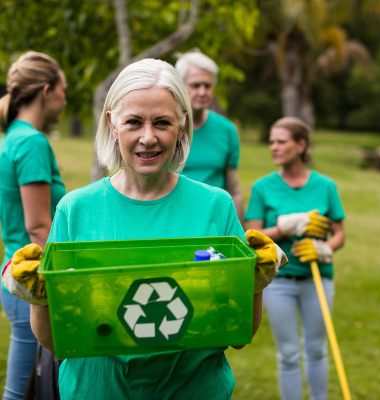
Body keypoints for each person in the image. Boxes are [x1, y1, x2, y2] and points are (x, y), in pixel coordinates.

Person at [4, 58, 284, 399]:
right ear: (112, 123)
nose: (147, 138)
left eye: (162, 122)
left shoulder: (216, 206)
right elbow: (58, 341)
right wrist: (39, 297)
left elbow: (239, 335)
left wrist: (254, 283)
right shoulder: (75, 210)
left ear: (182, 125)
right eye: (134, 122)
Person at [245, 116, 346, 400]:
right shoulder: (263, 187)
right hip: (279, 280)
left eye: (281, 141)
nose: (274, 147)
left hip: (318, 279)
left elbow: (340, 234)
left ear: (301, 145)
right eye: (271, 142)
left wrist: (326, 249)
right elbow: (251, 236)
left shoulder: (326, 186)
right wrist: (284, 227)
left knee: (316, 349)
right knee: (288, 354)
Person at [0, 51, 66, 400]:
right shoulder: (31, 142)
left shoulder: (13, 137)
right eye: (62, 91)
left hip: (15, 271)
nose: (64, 100)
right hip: (30, 280)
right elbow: (39, 226)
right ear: (45, 90)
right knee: (22, 391)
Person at [174, 51, 244, 221]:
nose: (203, 92)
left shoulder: (226, 129)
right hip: (174, 217)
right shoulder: (165, 127)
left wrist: (239, 236)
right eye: (195, 85)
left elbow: (234, 190)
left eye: (208, 85)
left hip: (214, 219)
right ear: (180, 86)